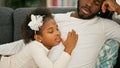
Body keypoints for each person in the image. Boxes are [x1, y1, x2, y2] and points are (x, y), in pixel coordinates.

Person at [0, 0, 120, 68]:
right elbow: (26, 44)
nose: (89, 4)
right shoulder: (54, 20)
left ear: (102, 8)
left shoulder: (105, 26)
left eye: (96, 2)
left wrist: (118, 8)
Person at [0, 8, 78, 68]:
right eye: (51, 31)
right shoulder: (35, 47)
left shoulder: (48, 47)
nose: (57, 33)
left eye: (57, 29)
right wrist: (68, 50)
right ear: (38, 38)